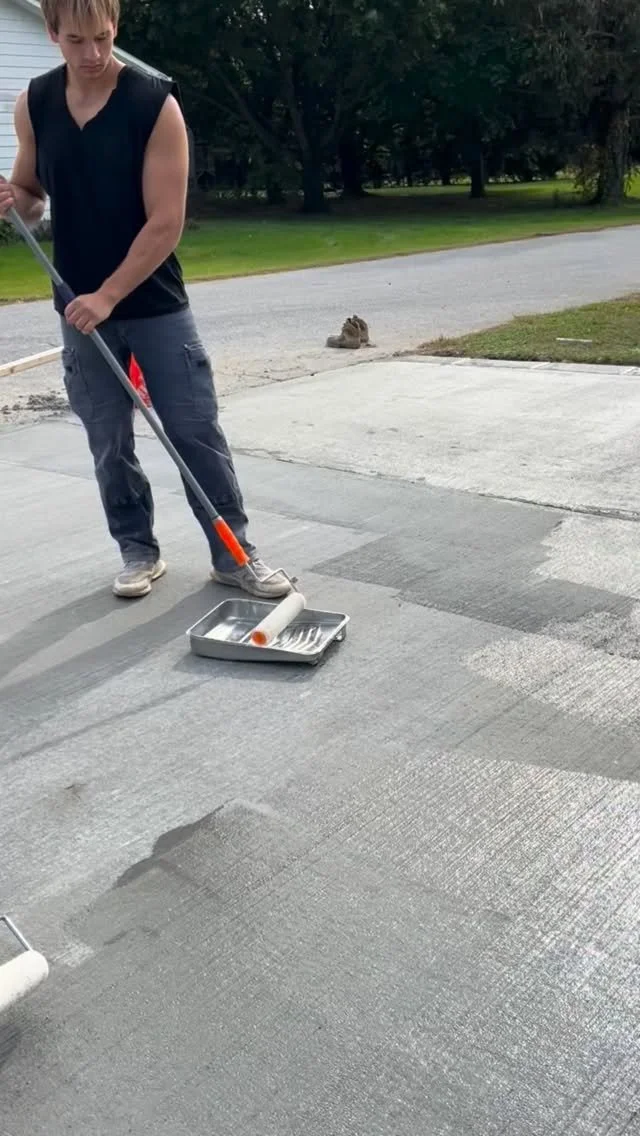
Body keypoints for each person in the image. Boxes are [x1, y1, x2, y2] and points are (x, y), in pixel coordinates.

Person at [0, 0, 293, 601]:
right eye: (76, 40)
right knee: (108, 439)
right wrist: (13, 203)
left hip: (154, 304)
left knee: (193, 429)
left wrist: (108, 295)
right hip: (79, 308)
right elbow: (31, 198)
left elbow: (165, 223)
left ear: (115, 28)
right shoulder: (35, 103)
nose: (92, 54)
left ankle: (234, 554)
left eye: (103, 38)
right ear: (52, 33)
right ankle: (138, 551)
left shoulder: (154, 105)